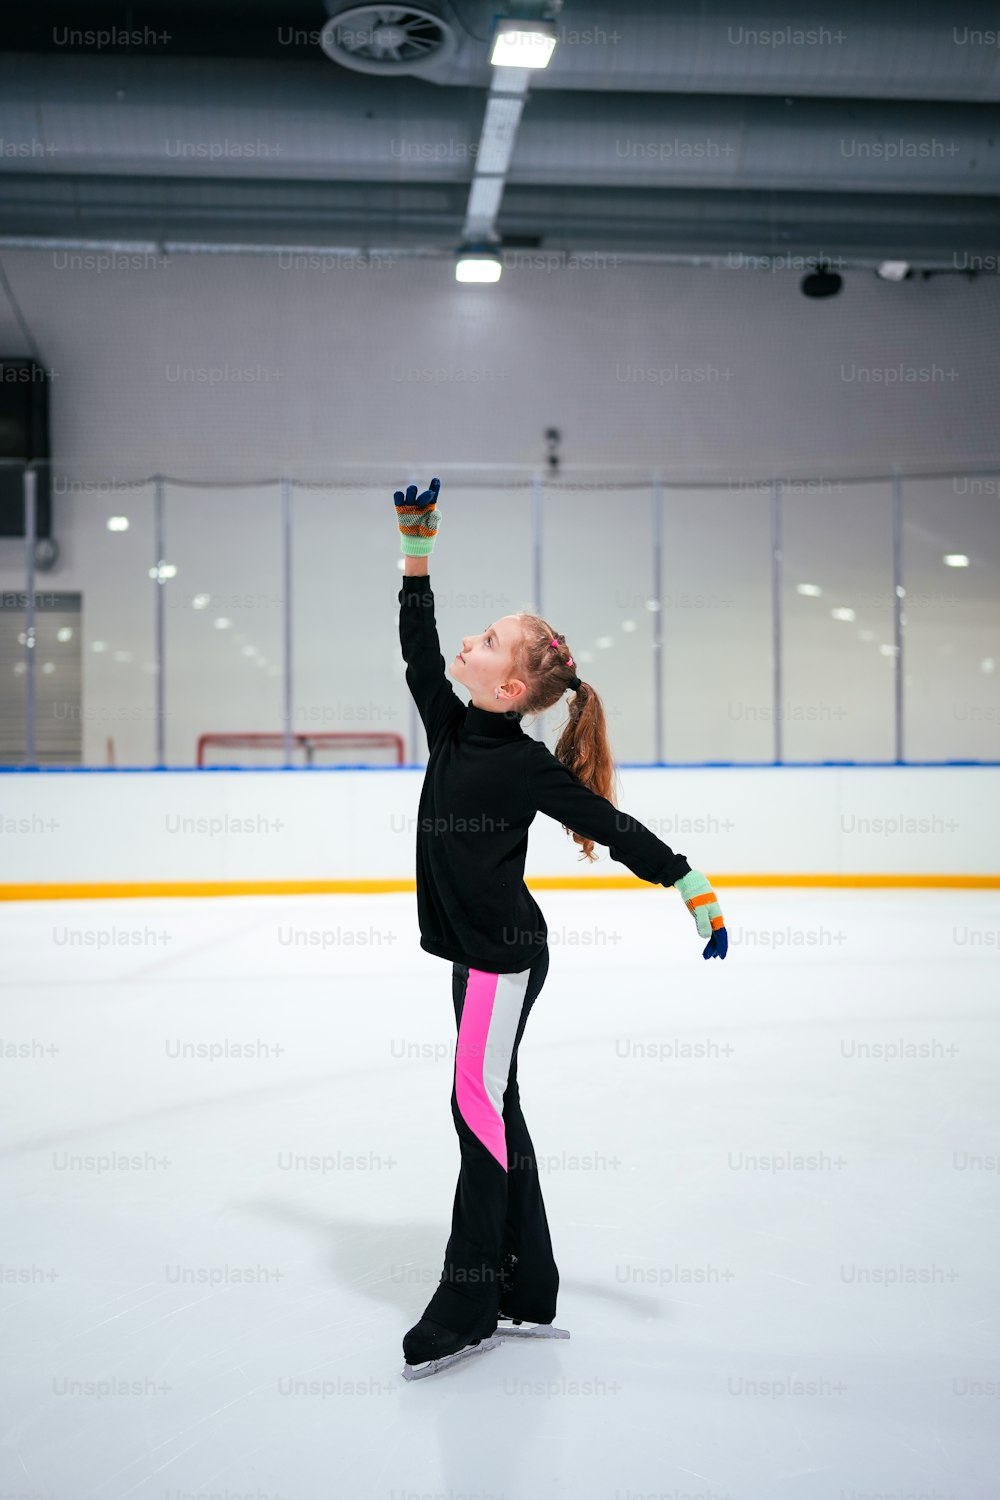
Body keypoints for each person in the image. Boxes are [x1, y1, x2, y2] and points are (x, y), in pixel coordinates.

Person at [394, 477, 727, 1379]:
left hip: (501, 962)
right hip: (478, 958)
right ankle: (525, 1287)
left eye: (487, 639)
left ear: (509, 684)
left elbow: (610, 825)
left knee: (475, 1109)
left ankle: (468, 1304)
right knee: (495, 1106)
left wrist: (685, 878)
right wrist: (417, 552)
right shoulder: (453, 727)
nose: (467, 641)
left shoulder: (526, 765)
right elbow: (419, 650)